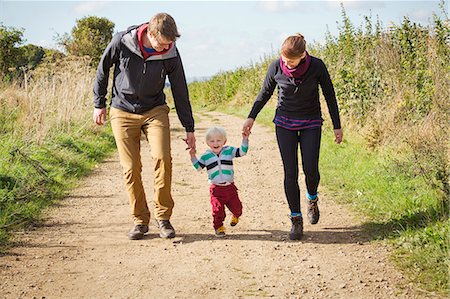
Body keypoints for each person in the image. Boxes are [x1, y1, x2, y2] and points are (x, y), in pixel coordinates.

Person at [93, 13, 196, 240]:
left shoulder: (170, 51)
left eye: (170, 44)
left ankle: (163, 218)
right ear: (150, 33)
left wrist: (189, 128)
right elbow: (103, 70)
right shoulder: (121, 41)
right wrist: (98, 104)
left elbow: (180, 90)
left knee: (162, 158)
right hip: (122, 110)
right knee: (130, 167)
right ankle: (140, 220)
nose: (165, 48)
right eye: (162, 43)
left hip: (154, 110)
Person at [242, 33, 343, 240]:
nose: (286, 63)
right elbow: (264, 93)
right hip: (284, 123)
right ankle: (296, 220)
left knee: (310, 169)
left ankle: (312, 199)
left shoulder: (317, 66)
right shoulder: (276, 67)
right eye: (284, 59)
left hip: (311, 121)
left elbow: (329, 94)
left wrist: (337, 126)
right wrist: (251, 117)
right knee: (290, 172)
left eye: (291, 60)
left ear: (303, 54)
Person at [189, 127, 249, 237]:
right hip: (216, 189)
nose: (215, 143)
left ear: (224, 141)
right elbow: (198, 167)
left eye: (218, 140)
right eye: (212, 141)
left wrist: (245, 139)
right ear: (207, 143)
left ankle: (236, 216)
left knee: (238, 208)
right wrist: (192, 156)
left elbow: (242, 152)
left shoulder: (229, 151)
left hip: (230, 188)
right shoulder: (206, 156)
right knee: (217, 210)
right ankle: (218, 227)